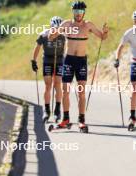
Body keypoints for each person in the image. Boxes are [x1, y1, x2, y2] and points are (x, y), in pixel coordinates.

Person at [48, 1, 108, 132]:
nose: (78, 14)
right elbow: (51, 37)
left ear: (84, 13)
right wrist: (53, 32)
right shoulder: (67, 24)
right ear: (72, 12)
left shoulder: (88, 25)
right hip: (68, 60)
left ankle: (81, 120)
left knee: (81, 92)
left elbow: (103, 37)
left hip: (81, 61)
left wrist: (105, 32)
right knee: (66, 91)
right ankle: (66, 119)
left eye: (80, 12)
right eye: (76, 12)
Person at [31, 16, 66, 123]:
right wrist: (33, 60)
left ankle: (57, 110)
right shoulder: (44, 34)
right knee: (48, 85)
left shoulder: (64, 35)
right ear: (50, 26)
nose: (55, 29)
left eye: (58, 27)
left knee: (58, 84)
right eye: (53, 27)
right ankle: (46, 110)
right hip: (47, 60)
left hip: (59, 60)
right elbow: (37, 47)